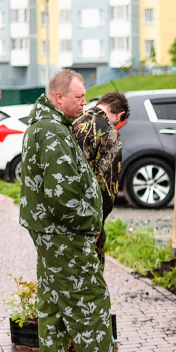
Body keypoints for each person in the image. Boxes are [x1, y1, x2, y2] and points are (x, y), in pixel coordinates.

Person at [20, 69, 143, 352]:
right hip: (64, 233)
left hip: (49, 231)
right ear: (59, 97)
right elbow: (63, 194)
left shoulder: (47, 126)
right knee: (90, 299)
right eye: (79, 97)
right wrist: (90, 222)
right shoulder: (53, 133)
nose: (85, 103)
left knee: (52, 304)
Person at [72, 91, 130, 263]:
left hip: (65, 206)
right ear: (120, 115)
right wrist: (101, 219)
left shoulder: (73, 122)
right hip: (89, 213)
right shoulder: (108, 133)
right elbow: (108, 183)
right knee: (91, 269)